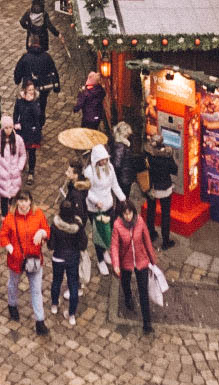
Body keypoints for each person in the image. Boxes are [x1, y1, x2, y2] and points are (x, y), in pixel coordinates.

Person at [0, 187, 50, 336]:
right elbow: (3, 236)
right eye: (21, 200)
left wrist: (42, 233)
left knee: (36, 290)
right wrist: (11, 250)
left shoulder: (38, 214)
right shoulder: (10, 217)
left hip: (34, 260)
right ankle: (12, 304)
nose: (23, 204)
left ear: (30, 201)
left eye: (26, 200)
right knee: (13, 284)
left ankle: (40, 321)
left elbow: (47, 230)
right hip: (17, 261)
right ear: (17, 202)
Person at [110, 198, 155, 334]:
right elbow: (115, 246)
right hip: (126, 262)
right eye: (125, 214)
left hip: (141, 261)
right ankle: (128, 298)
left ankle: (147, 323)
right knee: (126, 282)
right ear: (122, 214)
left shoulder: (140, 222)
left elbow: (147, 241)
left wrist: (152, 260)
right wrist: (116, 264)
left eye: (129, 213)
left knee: (143, 292)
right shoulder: (117, 226)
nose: (128, 217)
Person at [48, 177, 87, 328]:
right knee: (73, 285)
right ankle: (71, 315)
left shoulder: (56, 225)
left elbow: (51, 244)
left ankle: (54, 304)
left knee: (56, 282)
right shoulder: (77, 226)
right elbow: (83, 243)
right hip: (72, 259)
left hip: (58, 257)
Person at [86, 143, 126, 274]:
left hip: (108, 206)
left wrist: (122, 198)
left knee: (108, 232)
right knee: (99, 234)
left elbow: (115, 185)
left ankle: (105, 251)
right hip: (95, 209)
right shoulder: (89, 172)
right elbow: (86, 191)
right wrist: (95, 201)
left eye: (105, 159)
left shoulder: (110, 168)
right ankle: (100, 260)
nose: (104, 162)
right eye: (101, 160)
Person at [12, 40, 60, 124]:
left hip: (29, 87)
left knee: (28, 105)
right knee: (42, 105)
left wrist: (17, 80)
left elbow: (18, 71)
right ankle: (40, 124)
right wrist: (57, 87)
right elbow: (53, 71)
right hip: (43, 88)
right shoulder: (47, 56)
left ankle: (29, 125)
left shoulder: (26, 57)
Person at [146, 136, 178, 249]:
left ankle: (151, 233)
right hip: (165, 188)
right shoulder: (167, 156)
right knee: (165, 214)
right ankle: (165, 241)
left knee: (151, 211)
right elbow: (174, 169)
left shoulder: (148, 154)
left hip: (152, 187)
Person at [0, 116, 27, 215]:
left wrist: (19, 167)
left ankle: (12, 216)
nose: (9, 130)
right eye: (6, 128)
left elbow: (22, 154)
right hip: (2, 175)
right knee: (3, 198)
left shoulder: (18, 140)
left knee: (13, 198)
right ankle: (4, 216)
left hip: (14, 174)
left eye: (10, 127)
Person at [13, 82, 43, 179]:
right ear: (25, 90)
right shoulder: (20, 100)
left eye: (32, 89)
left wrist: (31, 102)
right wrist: (15, 123)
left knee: (32, 152)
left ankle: (31, 172)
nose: (31, 92)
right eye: (29, 89)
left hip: (32, 131)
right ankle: (22, 165)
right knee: (21, 150)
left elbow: (38, 114)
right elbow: (16, 112)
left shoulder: (36, 100)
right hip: (22, 130)